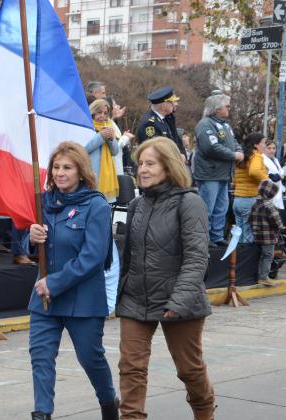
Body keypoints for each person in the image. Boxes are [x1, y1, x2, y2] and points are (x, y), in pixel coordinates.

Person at [117, 136, 215, 420]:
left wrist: (180, 301)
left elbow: (197, 258)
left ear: (169, 167)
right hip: (136, 300)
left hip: (179, 303)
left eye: (150, 164)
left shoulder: (190, 202)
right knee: (131, 368)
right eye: (140, 164)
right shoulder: (136, 205)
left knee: (189, 370)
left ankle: (205, 413)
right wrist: (122, 294)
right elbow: (128, 258)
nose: (143, 170)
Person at [25, 141, 118, 420]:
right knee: (41, 359)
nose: (60, 173)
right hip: (44, 300)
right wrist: (30, 240)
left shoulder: (96, 205)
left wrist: (54, 282)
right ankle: (42, 413)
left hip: (83, 300)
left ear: (81, 171)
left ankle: (108, 405)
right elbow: (30, 247)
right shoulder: (44, 202)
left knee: (91, 358)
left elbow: (93, 257)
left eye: (67, 167)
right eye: (56, 167)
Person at [193, 93, 243, 247]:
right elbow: (211, 148)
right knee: (207, 208)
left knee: (221, 208)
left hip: (223, 174)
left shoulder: (225, 125)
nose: (229, 108)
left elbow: (234, 142)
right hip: (209, 174)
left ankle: (217, 236)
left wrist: (239, 151)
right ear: (216, 108)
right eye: (226, 106)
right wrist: (234, 155)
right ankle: (204, 238)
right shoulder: (205, 125)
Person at [233, 133, 269, 244]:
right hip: (249, 200)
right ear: (256, 145)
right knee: (249, 236)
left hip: (237, 200)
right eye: (263, 143)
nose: (265, 145)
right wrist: (268, 181)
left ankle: (237, 260)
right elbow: (254, 171)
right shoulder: (256, 156)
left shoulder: (243, 157)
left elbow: (235, 179)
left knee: (238, 236)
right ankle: (248, 260)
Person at [249, 179, 285, 288]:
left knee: (261, 256)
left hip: (257, 236)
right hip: (268, 237)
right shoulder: (270, 205)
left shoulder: (255, 204)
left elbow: (249, 219)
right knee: (268, 256)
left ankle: (259, 276)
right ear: (271, 193)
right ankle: (264, 277)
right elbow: (276, 220)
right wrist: (281, 227)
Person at [87, 99, 121, 202]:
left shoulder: (109, 126)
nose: (102, 115)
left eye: (105, 113)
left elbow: (115, 151)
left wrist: (111, 138)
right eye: (99, 112)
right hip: (90, 174)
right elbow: (82, 149)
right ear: (93, 111)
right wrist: (100, 137)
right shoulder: (87, 126)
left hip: (107, 177)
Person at [136, 86, 184, 155]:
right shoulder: (150, 124)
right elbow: (155, 152)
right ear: (163, 105)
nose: (175, 104)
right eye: (172, 102)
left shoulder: (165, 119)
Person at [262, 139, 286, 221]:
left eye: (274, 148)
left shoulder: (275, 160)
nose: (272, 151)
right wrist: (279, 176)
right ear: (263, 148)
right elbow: (269, 178)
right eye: (269, 148)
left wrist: (279, 176)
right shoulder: (262, 159)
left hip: (276, 193)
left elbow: (280, 174)